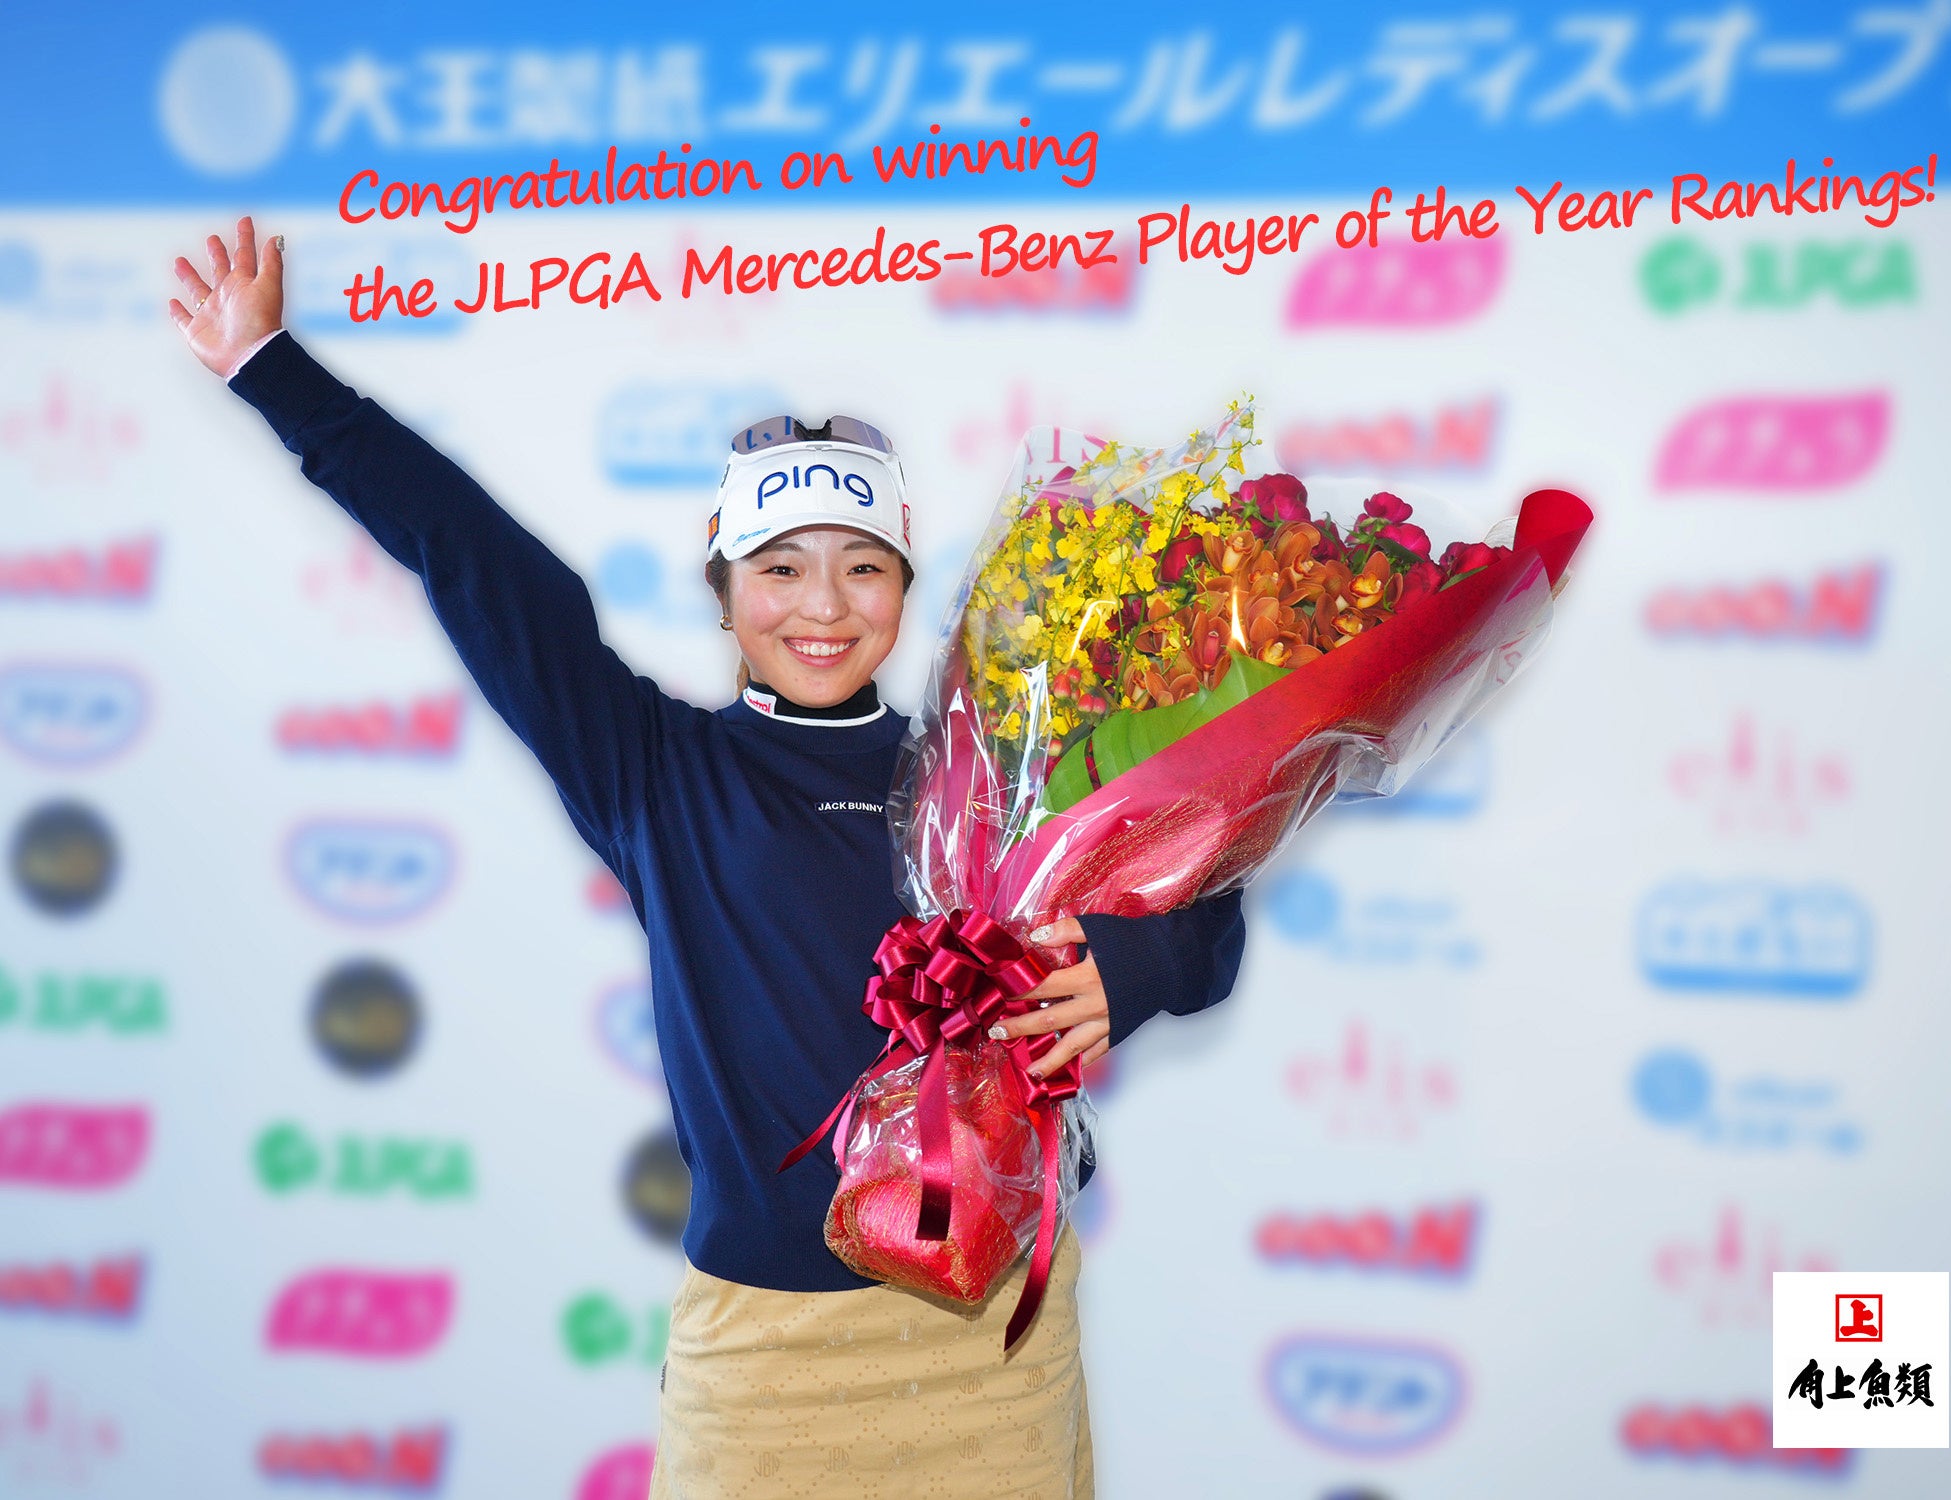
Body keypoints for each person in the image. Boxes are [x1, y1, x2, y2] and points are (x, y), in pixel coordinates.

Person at [169, 217, 1246, 1499]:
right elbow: (476, 561)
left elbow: (1205, 888)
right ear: (724, 593)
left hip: (993, 1341)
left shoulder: (993, 769)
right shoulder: (654, 771)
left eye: (861, 567)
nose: (823, 605)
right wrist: (275, 373)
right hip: (762, 1358)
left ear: (904, 587)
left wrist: (1131, 967)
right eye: (779, 569)